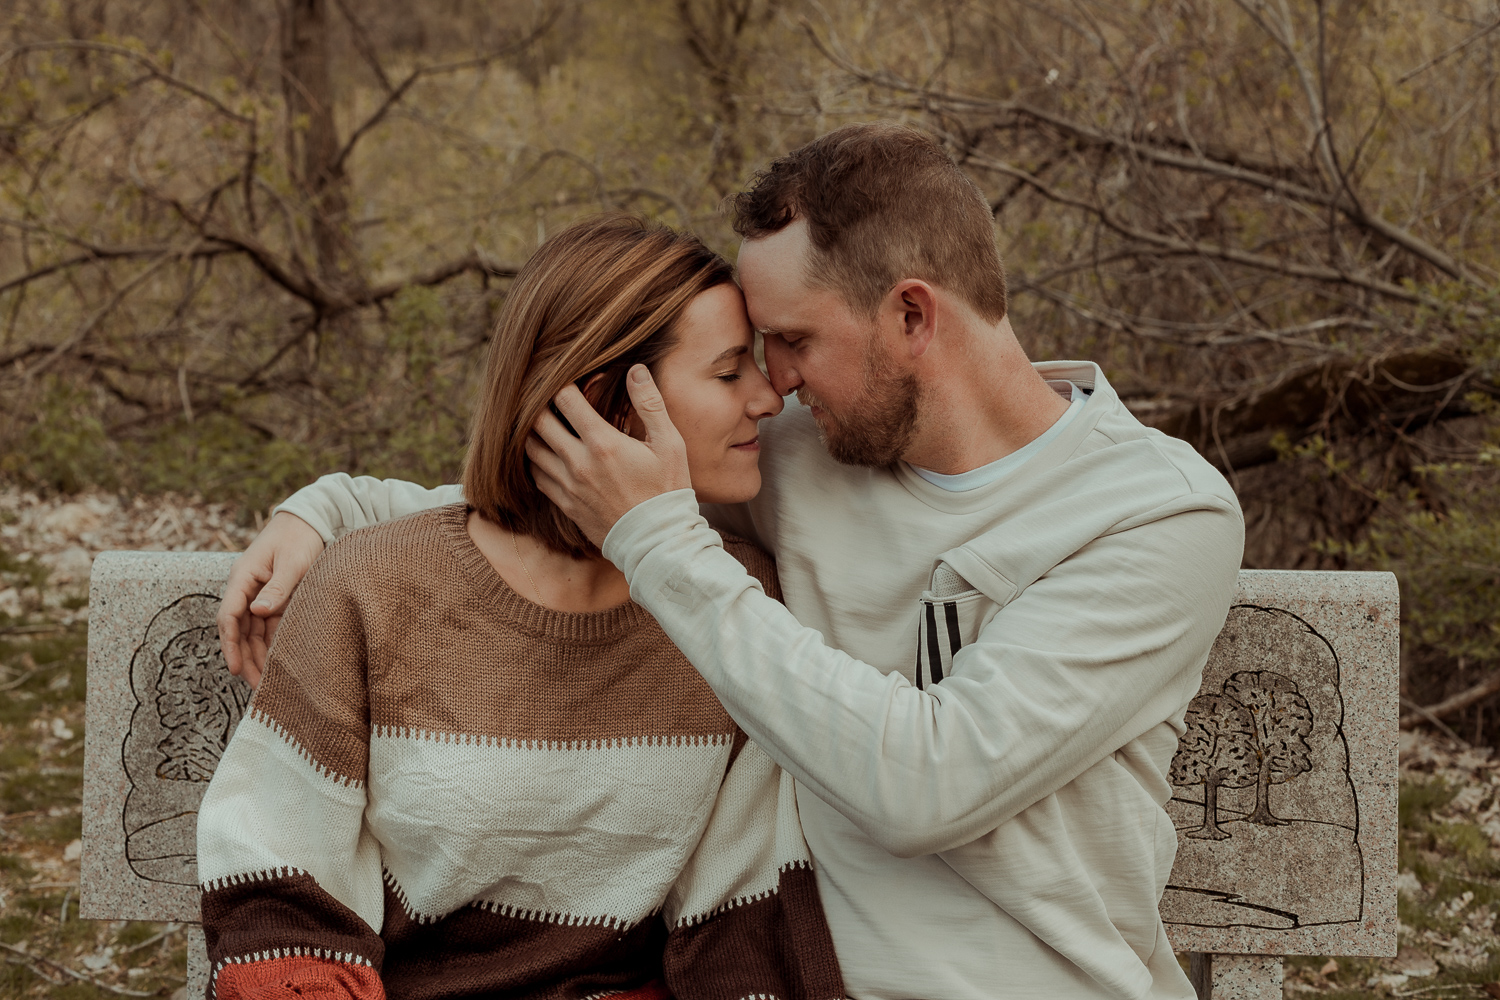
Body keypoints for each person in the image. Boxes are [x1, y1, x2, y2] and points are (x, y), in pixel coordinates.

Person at [221, 123, 1245, 1000]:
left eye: (792, 340)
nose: (776, 385)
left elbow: (929, 784)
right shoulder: (808, 450)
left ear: (912, 316)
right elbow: (564, 493)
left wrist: (663, 544)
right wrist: (333, 507)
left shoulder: (1158, 513)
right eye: (752, 356)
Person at [196, 215, 845, 1000]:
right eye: (728, 372)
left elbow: (740, 929)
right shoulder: (372, 588)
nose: (771, 398)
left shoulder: (731, 609)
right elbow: (280, 900)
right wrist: (321, 506)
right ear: (604, 402)